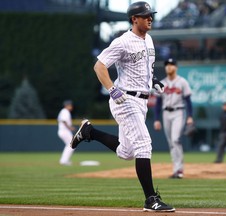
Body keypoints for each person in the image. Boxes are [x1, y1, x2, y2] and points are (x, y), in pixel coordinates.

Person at [70, 1, 175, 212]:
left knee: (126, 152)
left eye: (150, 15)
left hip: (142, 100)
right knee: (144, 144)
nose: (150, 18)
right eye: (145, 15)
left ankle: (89, 132)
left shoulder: (150, 40)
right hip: (124, 99)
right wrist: (111, 89)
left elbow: (145, 68)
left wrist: (153, 81)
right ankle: (150, 199)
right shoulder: (123, 42)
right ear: (134, 19)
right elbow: (99, 66)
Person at [153, 58, 193, 179]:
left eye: (171, 65)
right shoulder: (162, 83)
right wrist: (156, 119)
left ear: (176, 67)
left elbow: (188, 100)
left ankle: (179, 169)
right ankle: (176, 169)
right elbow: (158, 103)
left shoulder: (182, 82)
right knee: (171, 142)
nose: (169, 67)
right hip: (166, 113)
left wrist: (190, 116)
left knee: (175, 139)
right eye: (167, 65)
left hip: (178, 112)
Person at [57, 100, 75, 165]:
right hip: (64, 131)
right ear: (67, 105)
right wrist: (70, 128)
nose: (71, 106)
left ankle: (64, 160)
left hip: (63, 131)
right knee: (72, 145)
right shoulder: (65, 111)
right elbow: (64, 121)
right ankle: (64, 161)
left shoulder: (64, 111)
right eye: (70, 105)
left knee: (70, 145)